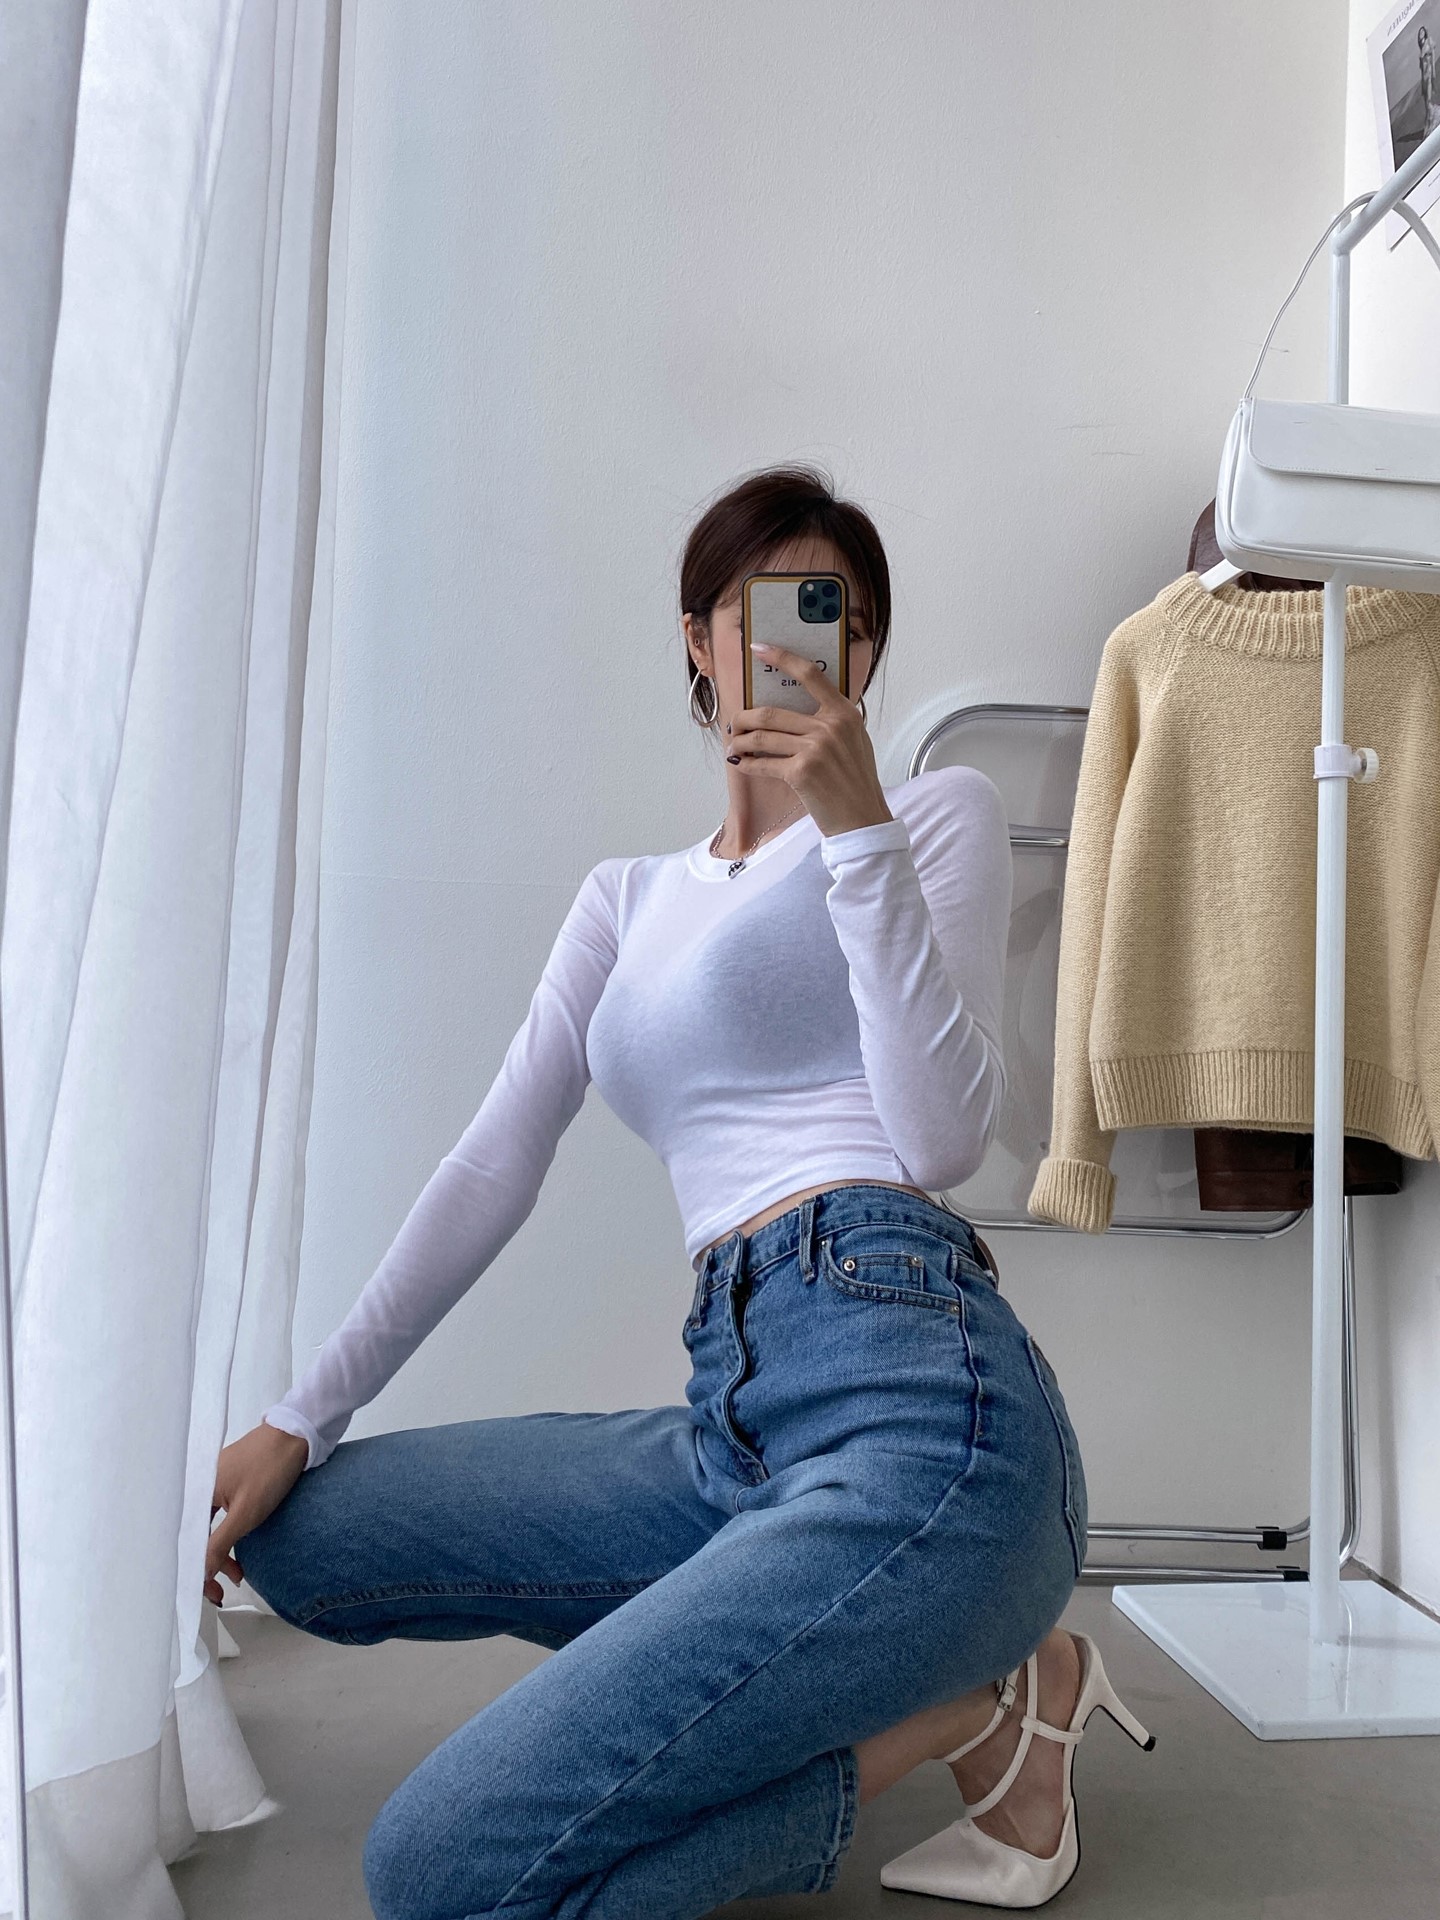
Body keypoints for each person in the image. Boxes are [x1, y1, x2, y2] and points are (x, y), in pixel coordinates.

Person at [207, 465, 1152, 1917]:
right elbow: (490, 1165)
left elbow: (943, 1142)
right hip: (731, 1420)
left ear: (864, 653)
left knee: (433, 1874)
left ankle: (965, 1711)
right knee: (304, 1538)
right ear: (699, 640)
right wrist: (298, 1412)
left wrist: (856, 833)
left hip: (915, 1389)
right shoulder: (627, 899)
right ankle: (855, 1650)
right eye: (756, 605)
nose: (797, 641)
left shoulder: (928, 816)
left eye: (833, 613)